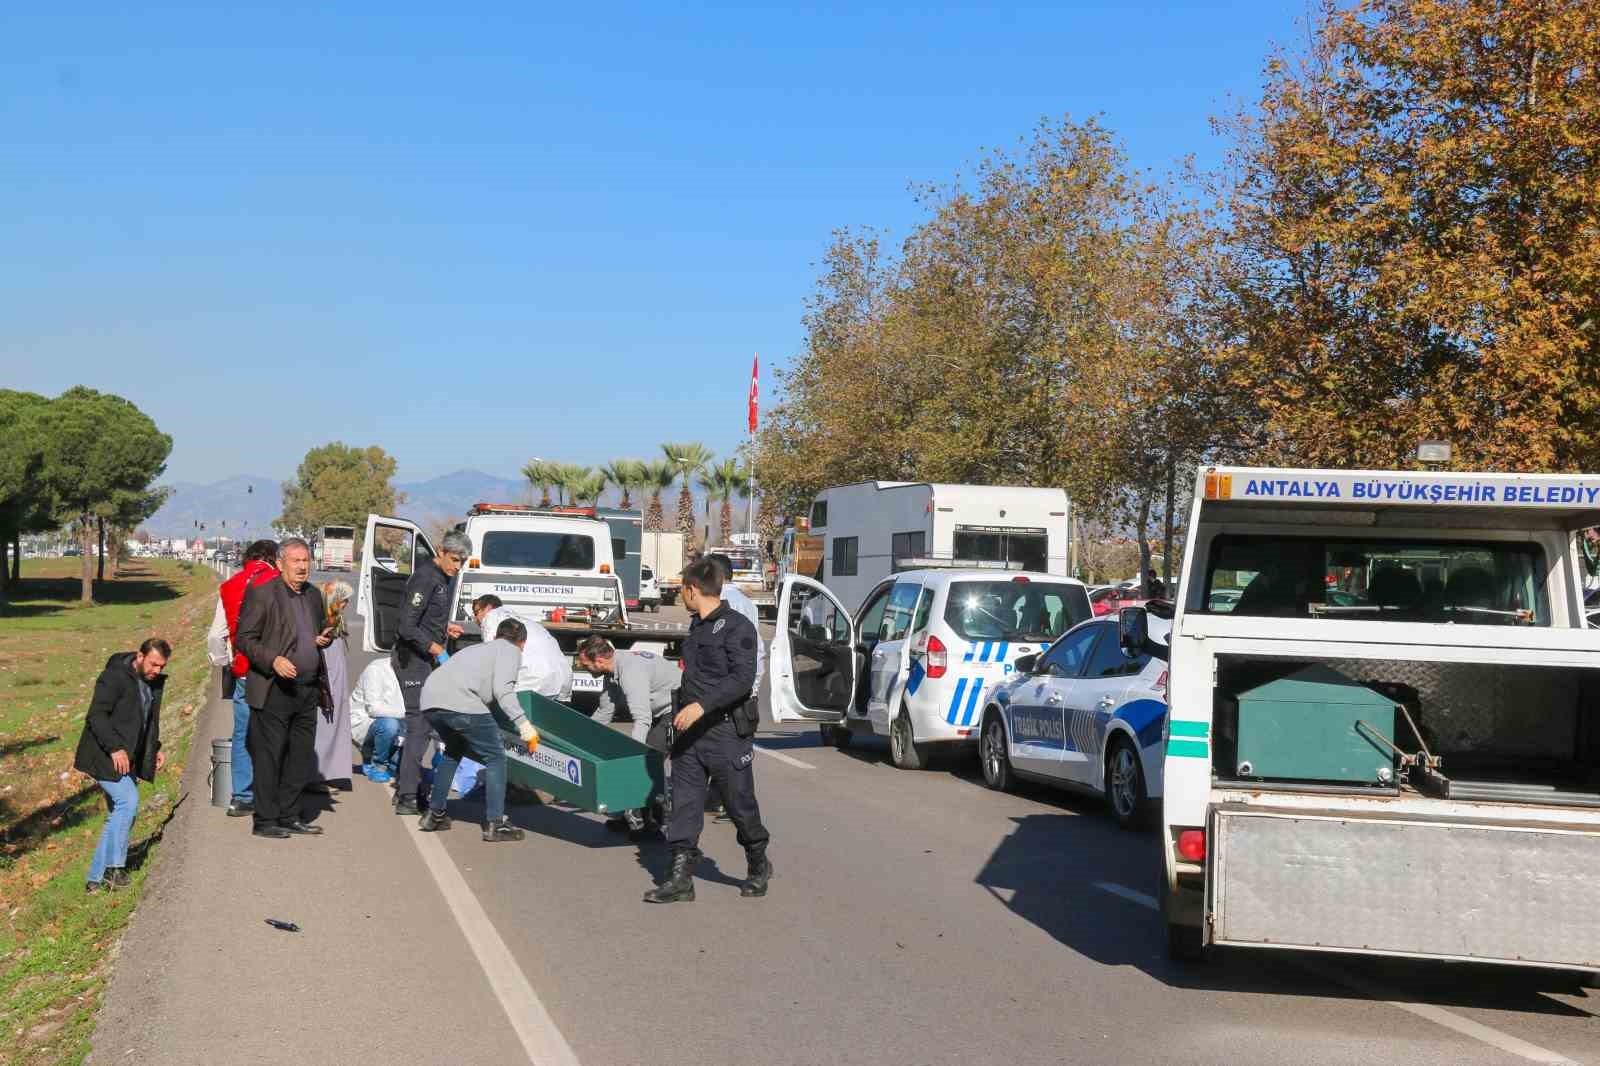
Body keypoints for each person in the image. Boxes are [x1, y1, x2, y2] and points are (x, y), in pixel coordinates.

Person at [645, 559, 771, 904]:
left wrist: (703, 706)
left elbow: (742, 680)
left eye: (681, 590)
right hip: (690, 735)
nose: (679, 596)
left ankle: (758, 863)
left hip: (726, 732)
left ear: (692, 589)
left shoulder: (737, 626)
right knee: (685, 804)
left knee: (739, 805)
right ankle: (680, 880)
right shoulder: (697, 627)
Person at [235, 538, 334, 839]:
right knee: (270, 756)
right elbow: (244, 638)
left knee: (300, 756)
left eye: (306, 561)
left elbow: (313, 633)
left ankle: (290, 815)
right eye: (296, 561)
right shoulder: (263, 594)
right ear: (280, 564)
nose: (303, 567)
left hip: (307, 688)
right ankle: (265, 820)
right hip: (274, 688)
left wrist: (323, 639)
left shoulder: (313, 596)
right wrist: (273, 660)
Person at [417, 617, 540, 842]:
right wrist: (524, 724)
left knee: (453, 752)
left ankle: (434, 814)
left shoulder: (478, 649)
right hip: (462, 703)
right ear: (522, 642)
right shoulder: (511, 651)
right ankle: (496, 823)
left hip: (430, 702)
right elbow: (503, 691)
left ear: (496, 636)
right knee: (495, 757)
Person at [75, 639, 170, 892]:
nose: (156, 671)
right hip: (102, 754)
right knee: (127, 802)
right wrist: (115, 748)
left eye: (161, 666)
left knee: (118, 813)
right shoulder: (114, 677)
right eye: (153, 664)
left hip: (125, 759)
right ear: (140, 656)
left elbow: (146, 720)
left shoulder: (151, 682)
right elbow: (96, 715)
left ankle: (95, 880)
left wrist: (155, 748)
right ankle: (114, 870)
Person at [393, 531, 470, 815]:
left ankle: (406, 785)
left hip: (428, 660)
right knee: (420, 726)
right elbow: (406, 626)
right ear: (440, 551)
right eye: (454, 559)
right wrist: (435, 646)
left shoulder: (445, 579)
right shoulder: (425, 578)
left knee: (425, 725)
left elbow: (427, 617)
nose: (458, 566)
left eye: (462, 561)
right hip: (412, 659)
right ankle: (407, 797)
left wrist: (444, 628)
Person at [576, 635, 681, 832]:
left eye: (585, 664)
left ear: (598, 661)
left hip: (677, 710)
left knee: (649, 758)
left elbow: (642, 718)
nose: (583, 668)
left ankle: (653, 823)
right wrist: (580, 738)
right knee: (635, 758)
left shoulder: (630, 671)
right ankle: (632, 815)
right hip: (658, 710)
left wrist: (634, 754)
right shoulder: (612, 670)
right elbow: (605, 711)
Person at [208, 540, 279, 817]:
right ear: (274, 559)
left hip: (244, 670)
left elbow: (216, 635)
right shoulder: (278, 580)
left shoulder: (230, 585)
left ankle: (242, 796)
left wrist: (224, 661)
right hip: (277, 670)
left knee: (243, 733)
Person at [308, 580, 355, 792]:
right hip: (327, 675)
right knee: (324, 721)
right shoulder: (323, 619)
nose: (345, 604)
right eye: (342, 600)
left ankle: (328, 772)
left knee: (333, 721)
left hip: (335, 675)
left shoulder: (334, 618)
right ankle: (316, 776)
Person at [705, 552, 766, 691]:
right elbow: (757, 648)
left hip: (716, 690)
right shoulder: (748, 604)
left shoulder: (712, 601)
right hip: (743, 686)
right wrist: (754, 687)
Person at [349, 656, 405, 782]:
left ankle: (385, 757)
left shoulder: (414, 672)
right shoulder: (376, 669)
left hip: (396, 728)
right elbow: (374, 709)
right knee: (389, 725)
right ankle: (375, 763)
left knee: (406, 769)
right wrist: (409, 713)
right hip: (367, 722)